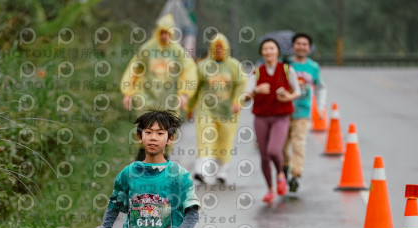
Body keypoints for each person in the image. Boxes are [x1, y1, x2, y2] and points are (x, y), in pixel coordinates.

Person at [120, 14, 198, 161]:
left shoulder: (178, 52)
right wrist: (128, 92)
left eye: (167, 33)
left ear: (172, 33)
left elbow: (189, 72)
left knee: (166, 133)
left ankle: (163, 164)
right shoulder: (147, 49)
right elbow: (134, 69)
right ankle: (140, 166)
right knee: (146, 132)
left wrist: (184, 94)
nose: (164, 36)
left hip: (169, 100)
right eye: (162, 32)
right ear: (157, 32)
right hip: (146, 99)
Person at [244, 38, 300, 204]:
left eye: (272, 48)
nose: (268, 51)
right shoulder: (257, 72)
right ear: (262, 52)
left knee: (274, 150)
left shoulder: (286, 69)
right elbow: (245, 96)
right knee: (264, 156)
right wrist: (255, 90)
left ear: (277, 51)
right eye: (265, 49)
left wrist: (289, 96)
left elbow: (297, 90)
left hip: (281, 116)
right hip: (261, 117)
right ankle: (270, 189)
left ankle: (281, 174)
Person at [187, 33, 248, 184]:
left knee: (225, 141)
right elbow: (195, 87)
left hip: (228, 111)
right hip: (206, 109)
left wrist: (237, 101)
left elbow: (241, 84)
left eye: (221, 47)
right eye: (216, 47)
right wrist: (190, 106)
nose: (219, 50)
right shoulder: (203, 66)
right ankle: (200, 170)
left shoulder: (234, 66)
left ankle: (222, 171)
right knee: (205, 138)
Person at [282, 32, 327, 192]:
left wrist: (320, 107)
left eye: (305, 44)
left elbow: (320, 88)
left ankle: (295, 175)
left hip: (302, 112)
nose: (301, 47)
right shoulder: (286, 65)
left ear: (309, 48)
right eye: (298, 43)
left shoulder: (313, 67)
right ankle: (285, 168)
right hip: (283, 113)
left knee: (299, 144)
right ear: (293, 46)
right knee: (282, 147)